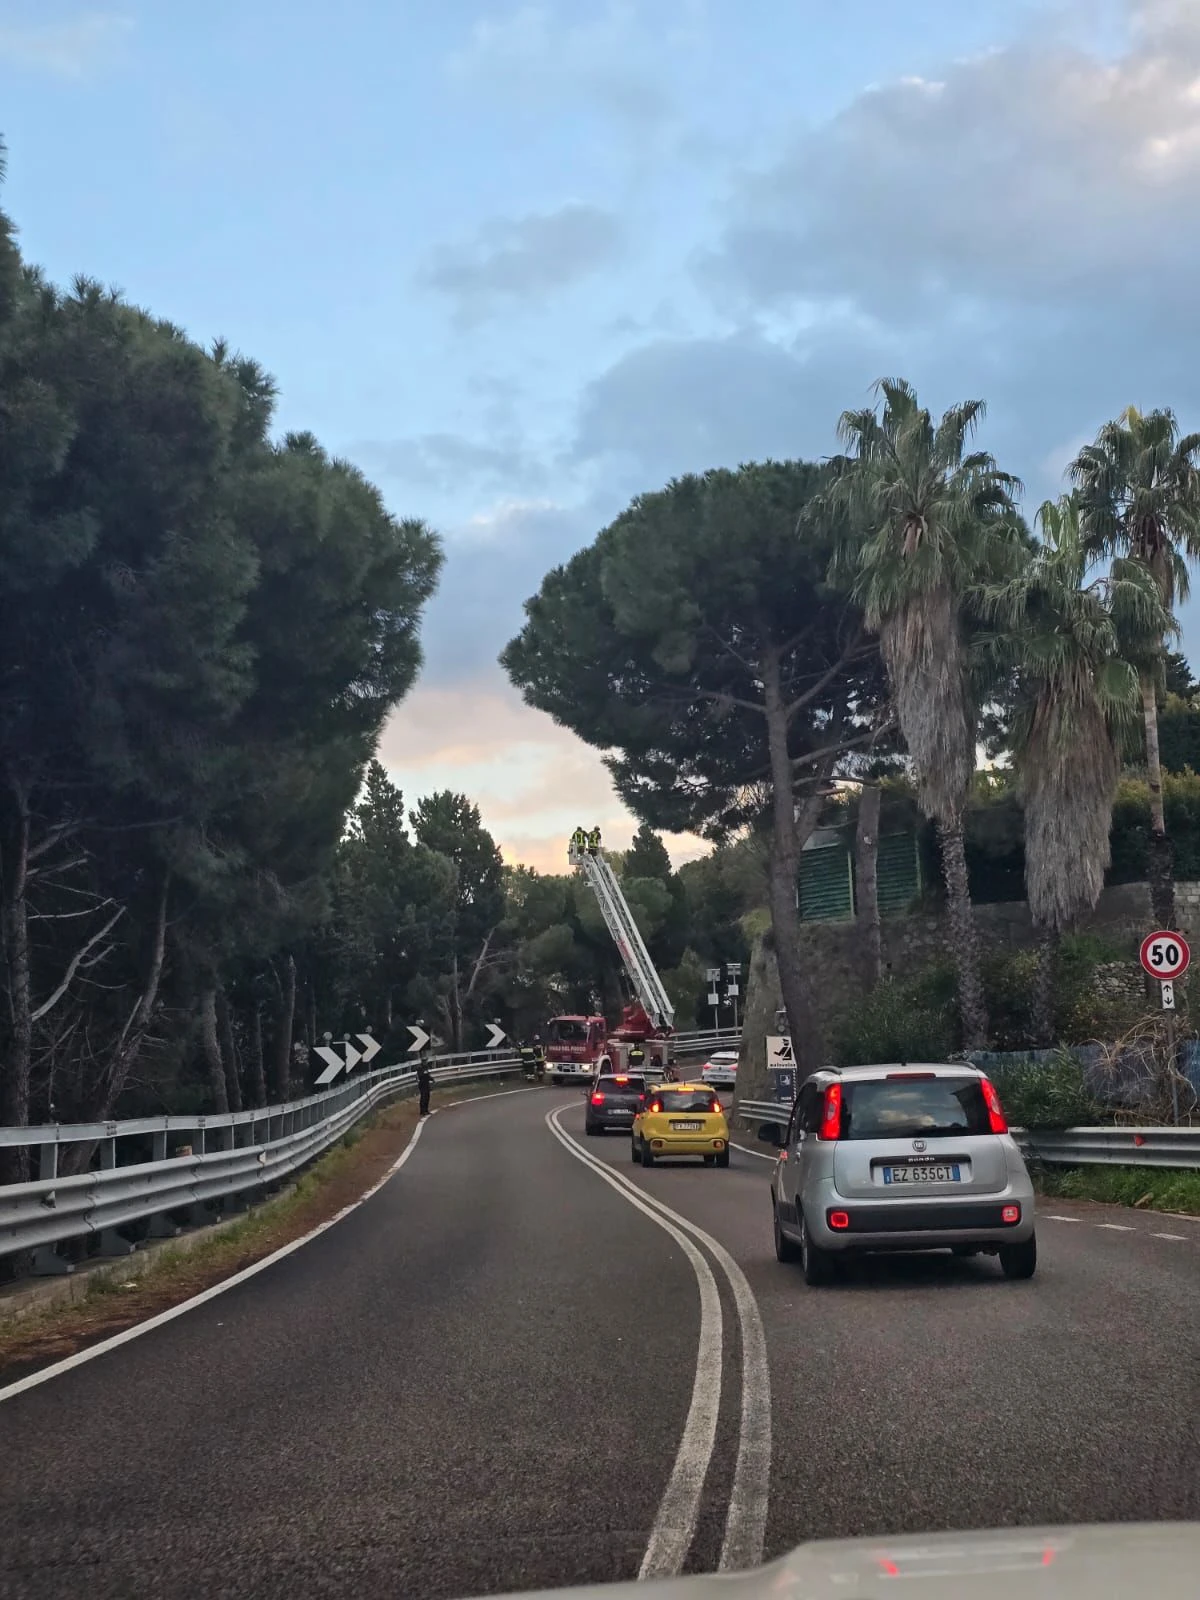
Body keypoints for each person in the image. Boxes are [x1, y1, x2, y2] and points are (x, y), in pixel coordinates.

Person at [417, 1051, 433, 1117]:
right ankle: (422, 1111)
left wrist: (432, 1079)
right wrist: (425, 1074)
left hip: (426, 1084)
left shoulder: (426, 1067)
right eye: (424, 1061)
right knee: (423, 1097)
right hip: (422, 1084)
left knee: (427, 1097)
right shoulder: (420, 1068)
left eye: (426, 1061)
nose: (425, 1062)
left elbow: (428, 1075)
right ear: (422, 1061)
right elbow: (420, 1076)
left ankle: (426, 1110)